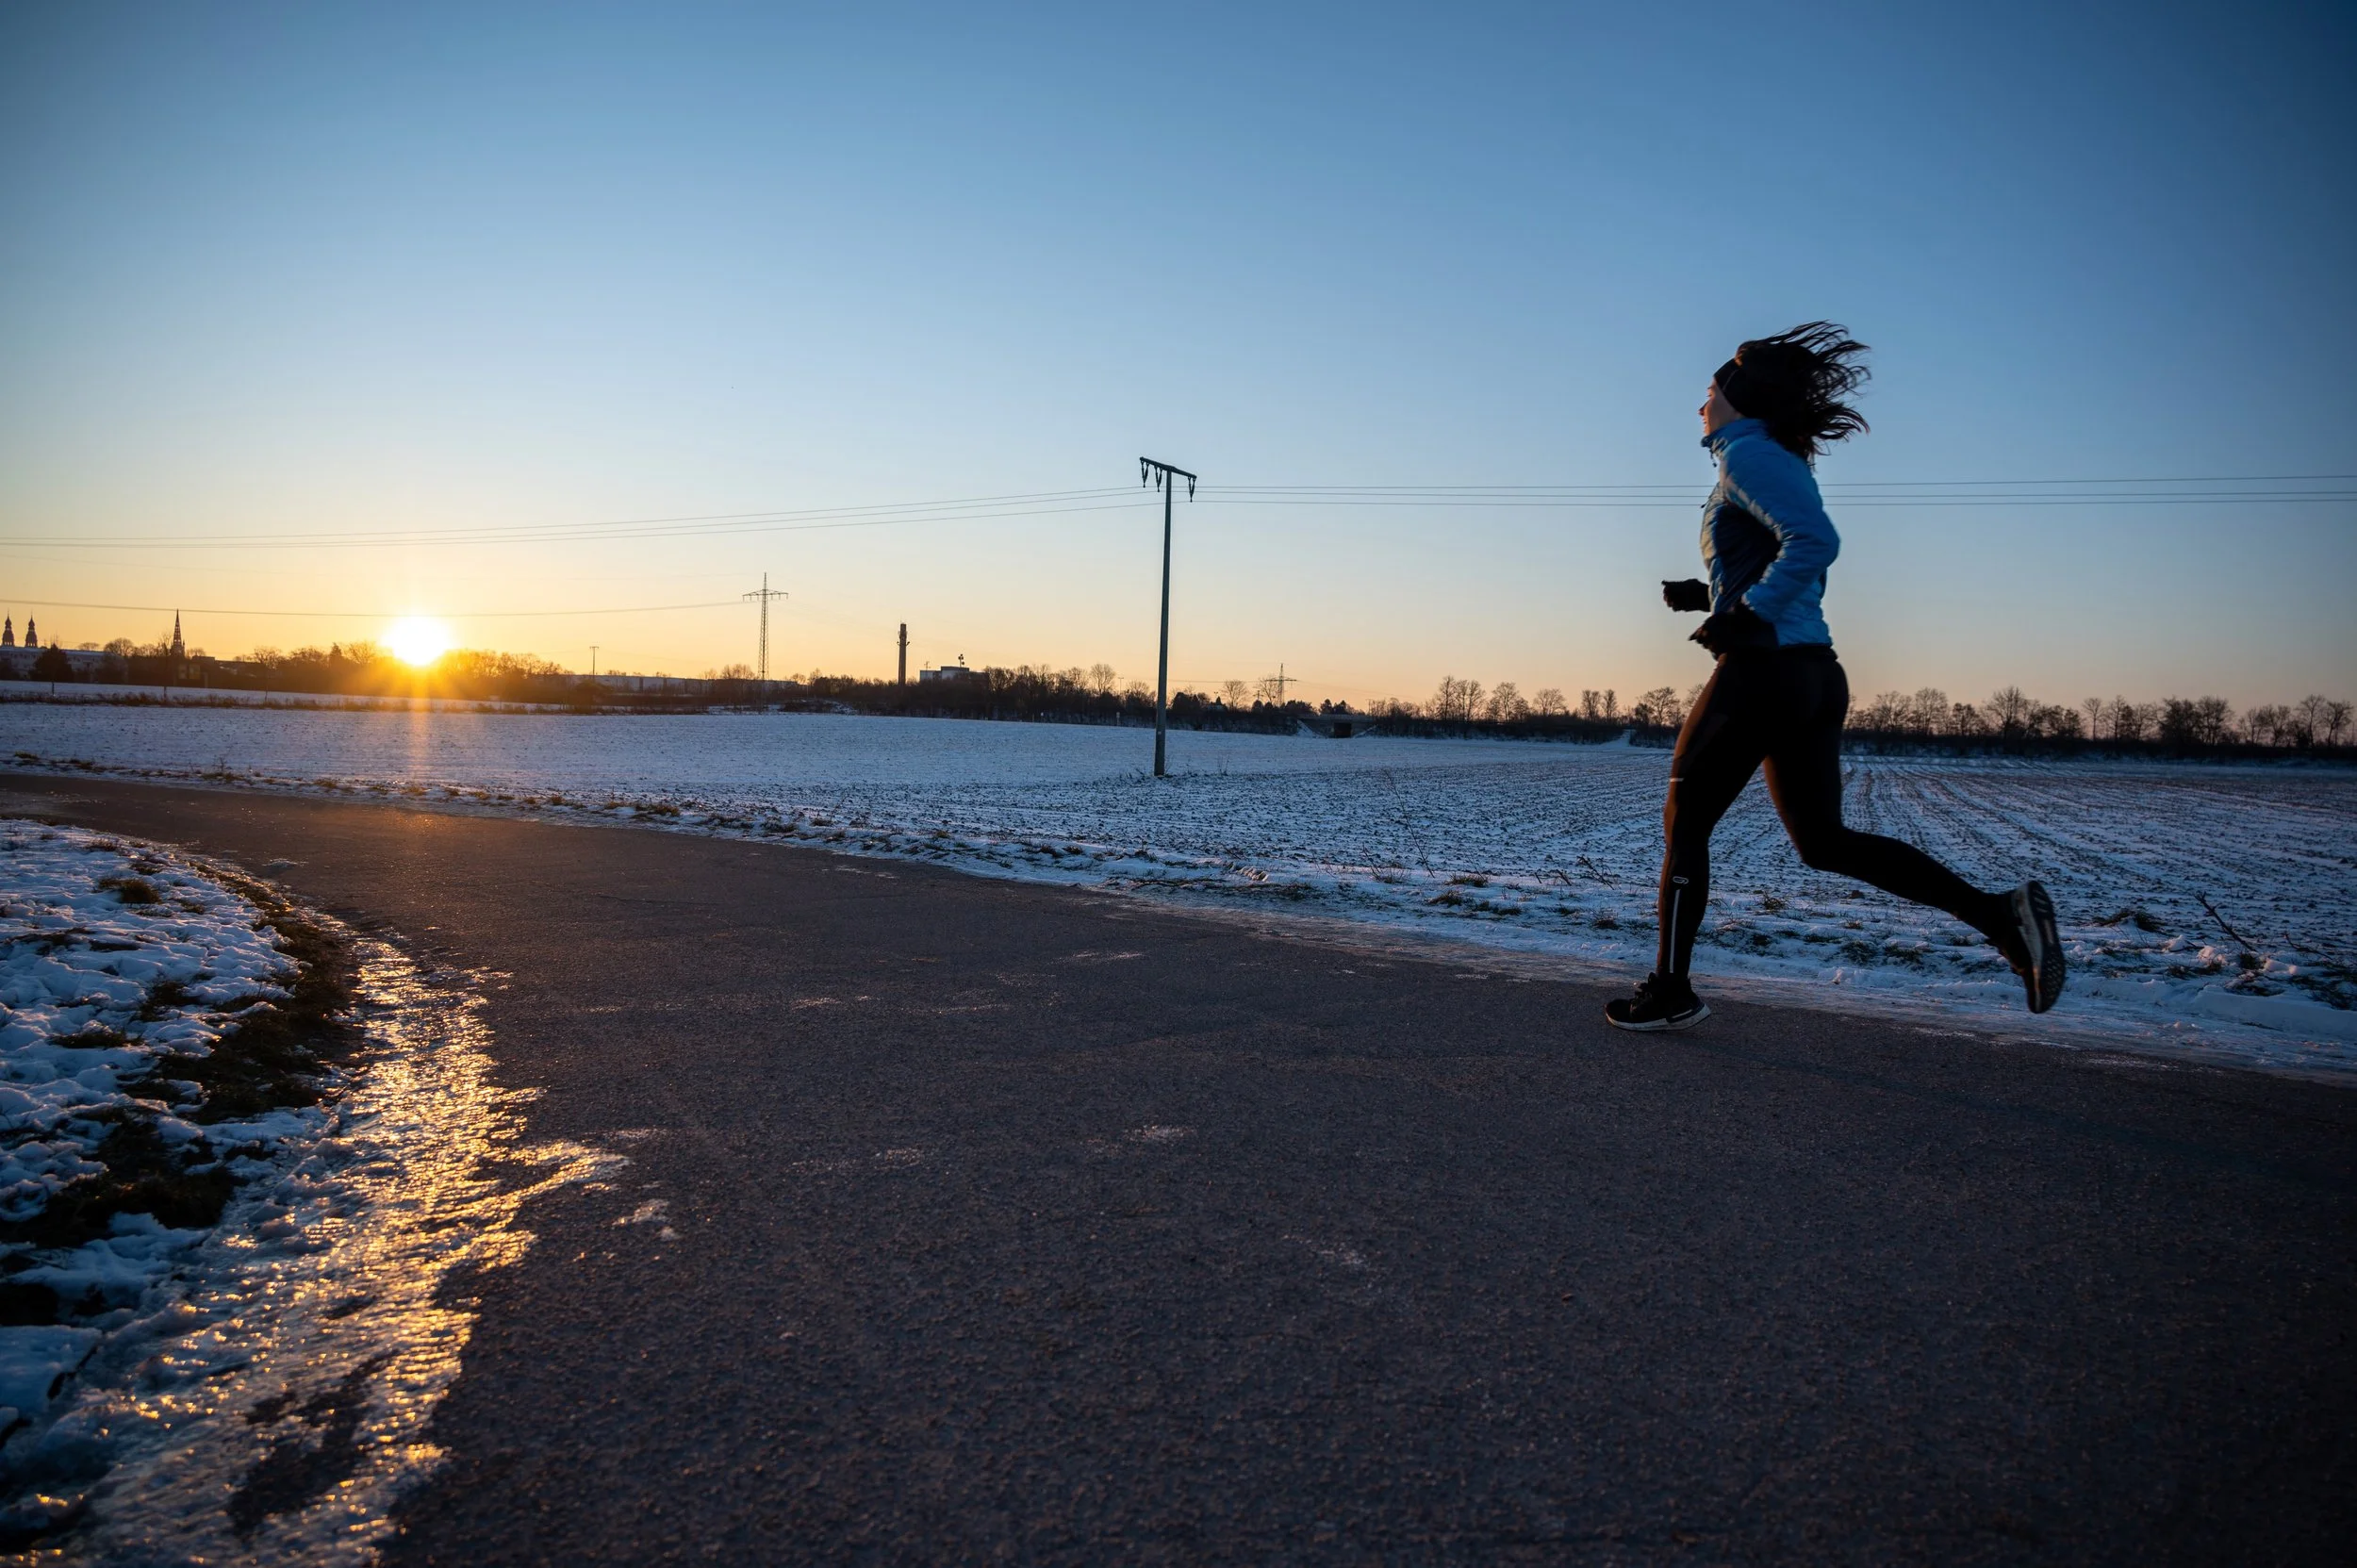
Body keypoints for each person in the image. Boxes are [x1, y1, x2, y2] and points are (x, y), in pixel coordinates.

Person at [1605, 322, 2064, 1032]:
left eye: (1709, 391)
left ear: (1737, 400)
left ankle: (1670, 988)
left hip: (1766, 672)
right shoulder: (1764, 458)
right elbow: (1787, 557)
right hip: (1810, 675)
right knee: (1823, 843)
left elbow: (1816, 543)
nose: (1700, 405)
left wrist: (1749, 614)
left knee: (1685, 817)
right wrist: (1711, 595)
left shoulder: (1750, 456)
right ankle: (2002, 917)